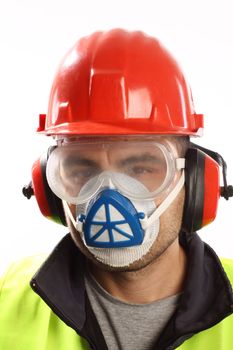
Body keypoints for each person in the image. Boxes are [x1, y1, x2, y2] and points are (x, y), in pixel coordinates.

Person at [1, 29, 233, 350]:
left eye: (141, 168)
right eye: (82, 169)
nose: (109, 198)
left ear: (195, 181)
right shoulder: (6, 304)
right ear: (49, 188)